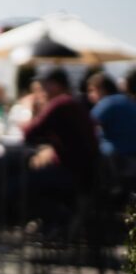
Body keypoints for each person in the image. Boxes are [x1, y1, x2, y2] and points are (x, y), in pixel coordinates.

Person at [22, 68, 100, 220]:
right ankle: (55, 223)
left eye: (45, 85)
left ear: (55, 85)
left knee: (19, 184)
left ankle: (57, 221)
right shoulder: (72, 101)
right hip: (83, 171)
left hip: (73, 172)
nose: (42, 90)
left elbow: (29, 133)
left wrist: (31, 110)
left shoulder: (60, 103)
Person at [87, 72, 136, 157]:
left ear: (102, 89)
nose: (90, 95)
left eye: (92, 90)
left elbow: (86, 124)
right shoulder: (126, 100)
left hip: (115, 157)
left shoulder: (107, 103)